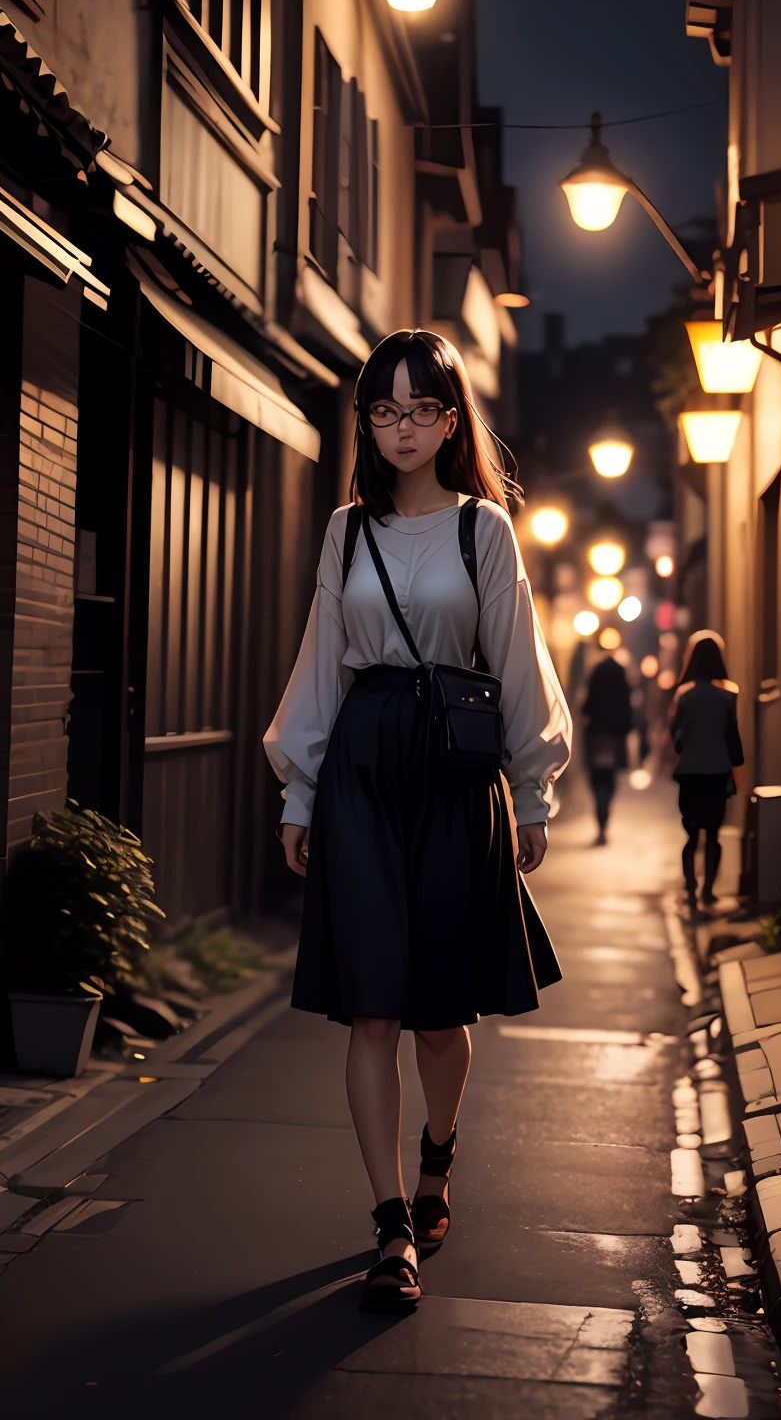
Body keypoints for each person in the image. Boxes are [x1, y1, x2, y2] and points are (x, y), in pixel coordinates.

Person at [264, 329, 571, 1313]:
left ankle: (439, 1150)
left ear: (452, 421)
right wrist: (299, 790)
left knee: (441, 1014)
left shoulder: (486, 529)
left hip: (453, 771)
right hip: (360, 767)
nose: (403, 428)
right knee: (373, 1007)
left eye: (423, 410)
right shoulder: (347, 529)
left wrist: (533, 790)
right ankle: (392, 1225)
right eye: (384, 410)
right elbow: (320, 660)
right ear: (367, 421)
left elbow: (519, 659)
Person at [669, 629, 745, 905]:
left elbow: (675, 734)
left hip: (690, 773)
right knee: (713, 834)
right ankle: (708, 890)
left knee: (691, 835)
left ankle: (690, 886)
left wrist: (685, 749)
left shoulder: (685, 696)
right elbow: (732, 736)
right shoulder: (728, 696)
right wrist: (738, 771)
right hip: (717, 772)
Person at [582, 652, 634, 844]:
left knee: (597, 778)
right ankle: (605, 817)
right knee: (610, 778)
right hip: (614, 736)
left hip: (597, 735)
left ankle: (600, 818)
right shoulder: (621, 674)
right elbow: (627, 707)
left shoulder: (596, 672)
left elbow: (587, 706)